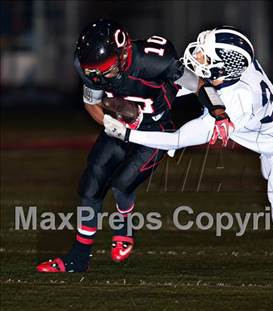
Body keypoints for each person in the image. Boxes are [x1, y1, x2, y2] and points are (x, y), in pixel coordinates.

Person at [104, 26, 273, 271]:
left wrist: (128, 134)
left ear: (223, 68)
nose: (197, 56)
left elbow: (176, 139)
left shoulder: (236, 104)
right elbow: (196, 86)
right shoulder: (236, 69)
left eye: (204, 56)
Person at [36, 19, 228, 273]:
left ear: (124, 53)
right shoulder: (92, 68)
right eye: (94, 71)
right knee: (90, 185)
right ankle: (78, 258)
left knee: (122, 184)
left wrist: (218, 111)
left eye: (106, 69)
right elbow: (91, 103)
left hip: (156, 131)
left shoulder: (156, 60)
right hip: (121, 127)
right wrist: (109, 123)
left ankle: (124, 226)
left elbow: (200, 85)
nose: (99, 76)